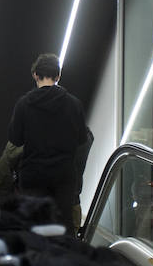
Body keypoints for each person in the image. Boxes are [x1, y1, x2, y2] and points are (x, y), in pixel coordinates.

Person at [7, 53, 90, 232]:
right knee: (63, 227)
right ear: (58, 76)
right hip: (63, 176)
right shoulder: (74, 104)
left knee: (33, 226)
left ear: (35, 75)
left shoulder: (23, 104)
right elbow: (82, 139)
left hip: (33, 175)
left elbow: (15, 139)